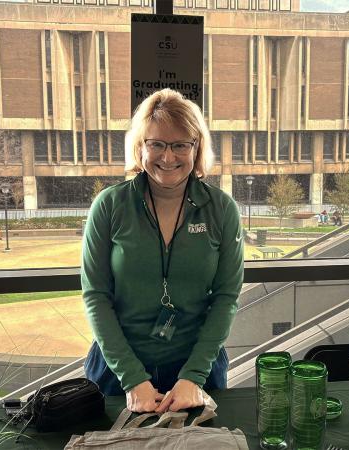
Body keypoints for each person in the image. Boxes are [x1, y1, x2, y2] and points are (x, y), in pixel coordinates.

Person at [81, 88, 244, 414]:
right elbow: (96, 296)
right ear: (140, 147)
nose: (168, 157)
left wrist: (194, 377)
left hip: (196, 375)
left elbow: (226, 298)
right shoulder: (110, 206)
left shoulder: (221, 210)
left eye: (181, 145)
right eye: (156, 144)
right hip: (118, 374)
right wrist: (132, 379)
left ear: (196, 149)